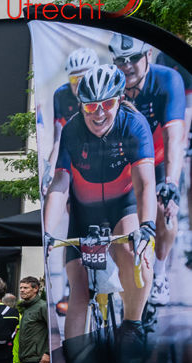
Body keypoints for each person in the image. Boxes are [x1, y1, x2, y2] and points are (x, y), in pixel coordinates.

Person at [46, 64, 155, 338]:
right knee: (78, 290)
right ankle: (74, 362)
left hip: (122, 205)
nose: (99, 113)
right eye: (91, 106)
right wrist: (46, 231)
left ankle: (133, 325)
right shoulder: (72, 131)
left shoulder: (134, 123)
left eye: (107, 103)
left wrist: (148, 225)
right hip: (84, 212)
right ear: (81, 106)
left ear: (119, 99)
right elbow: (60, 184)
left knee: (134, 253)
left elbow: (145, 184)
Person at [111, 33, 185, 300]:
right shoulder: (111, 84)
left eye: (133, 58)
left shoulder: (167, 79)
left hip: (161, 159)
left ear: (148, 56)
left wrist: (171, 184)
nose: (127, 65)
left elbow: (174, 136)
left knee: (165, 210)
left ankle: (161, 274)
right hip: (126, 162)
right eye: (120, 59)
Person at [14, 276, 49, 363]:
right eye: (21, 287)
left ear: (35, 289)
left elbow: (54, 331)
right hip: (26, 357)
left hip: (37, 357)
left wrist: (47, 353)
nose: (22, 290)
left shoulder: (42, 306)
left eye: (26, 287)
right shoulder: (26, 307)